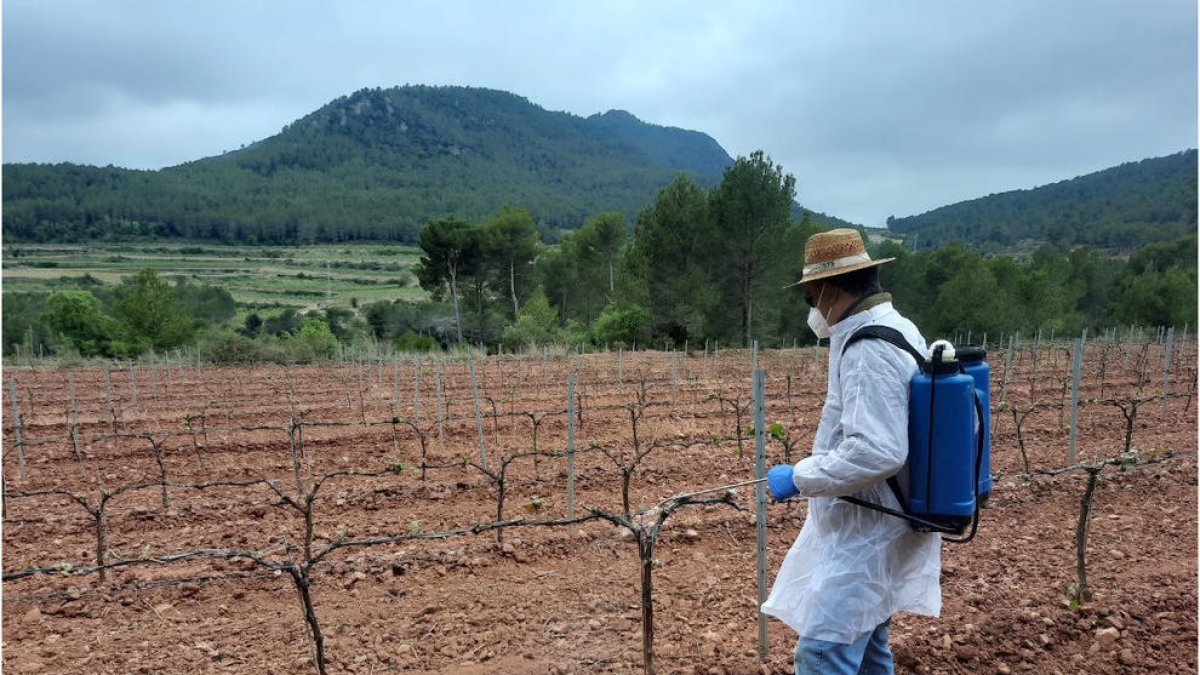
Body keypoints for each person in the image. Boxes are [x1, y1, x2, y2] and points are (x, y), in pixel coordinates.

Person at [760, 228, 941, 675]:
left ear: (828, 289)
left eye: (810, 297)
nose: (812, 307)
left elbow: (877, 450)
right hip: (881, 523)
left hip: (869, 531)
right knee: (869, 646)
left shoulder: (868, 347)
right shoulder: (897, 328)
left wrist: (801, 477)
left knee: (823, 653)